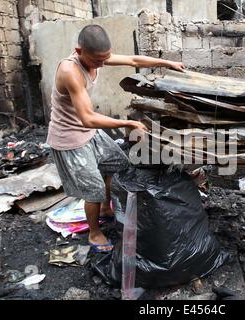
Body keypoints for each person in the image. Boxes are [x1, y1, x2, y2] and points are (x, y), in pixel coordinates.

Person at [47, 24, 185, 252]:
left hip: (88, 133)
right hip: (69, 139)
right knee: (93, 189)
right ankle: (94, 232)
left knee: (117, 163)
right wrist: (127, 123)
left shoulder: (97, 57)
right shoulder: (70, 71)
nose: (102, 64)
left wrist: (167, 63)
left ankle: (105, 208)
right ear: (79, 51)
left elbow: (132, 60)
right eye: (98, 60)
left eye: (105, 58)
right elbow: (88, 119)